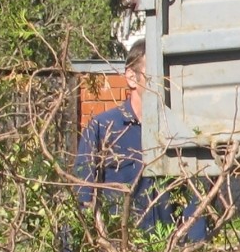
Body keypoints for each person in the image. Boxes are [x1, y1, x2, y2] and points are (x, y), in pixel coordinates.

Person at [73, 43, 211, 240]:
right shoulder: (102, 128)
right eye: (153, 73)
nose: (162, 81)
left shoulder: (178, 132)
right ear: (131, 77)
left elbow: (194, 203)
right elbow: (83, 198)